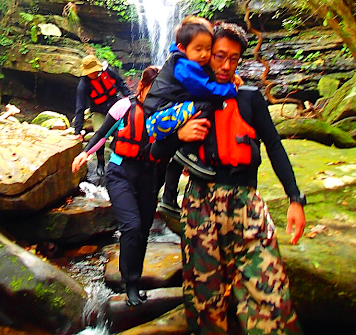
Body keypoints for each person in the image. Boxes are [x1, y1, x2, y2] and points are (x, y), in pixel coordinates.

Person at [153, 22, 306, 334]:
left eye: (233, 59)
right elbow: (156, 149)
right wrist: (179, 133)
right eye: (219, 56)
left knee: (271, 296)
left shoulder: (249, 98)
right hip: (200, 205)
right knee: (204, 300)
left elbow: (275, 147)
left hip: (246, 205)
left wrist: (295, 199)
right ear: (206, 55)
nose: (225, 65)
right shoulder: (187, 102)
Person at [72, 66, 160, 306]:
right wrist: (85, 154)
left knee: (143, 230)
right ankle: (129, 282)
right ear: (142, 87)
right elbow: (102, 133)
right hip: (120, 172)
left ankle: (136, 278)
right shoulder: (124, 107)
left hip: (148, 175)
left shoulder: (166, 112)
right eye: (154, 88)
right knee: (131, 227)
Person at [143, 18, 238, 213]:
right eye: (199, 49)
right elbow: (205, 89)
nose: (204, 54)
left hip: (163, 115)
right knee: (205, 105)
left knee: (181, 150)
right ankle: (188, 155)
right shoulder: (183, 66)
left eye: (208, 49)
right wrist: (230, 88)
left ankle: (168, 197)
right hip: (159, 117)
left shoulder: (183, 60)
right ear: (183, 47)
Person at [73, 55, 131, 182]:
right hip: (99, 111)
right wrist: (77, 130)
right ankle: (100, 162)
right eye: (91, 71)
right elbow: (80, 108)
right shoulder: (83, 85)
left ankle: (122, 159)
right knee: (100, 134)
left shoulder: (107, 72)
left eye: (95, 70)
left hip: (115, 106)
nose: (94, 73)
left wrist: (130, 98)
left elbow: (121, 84)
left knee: (123, 132)